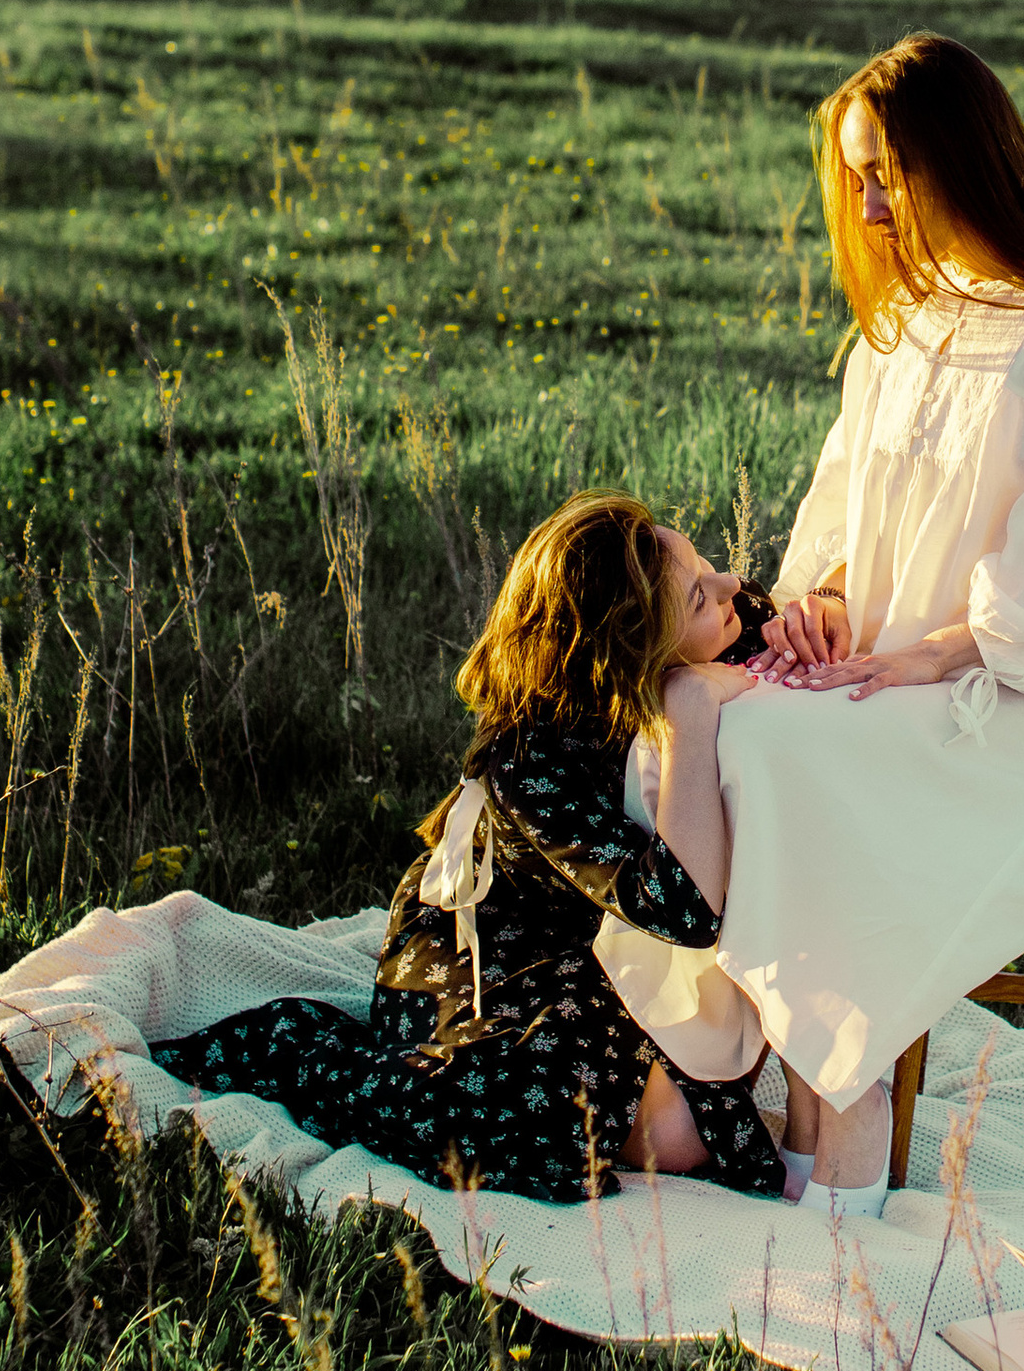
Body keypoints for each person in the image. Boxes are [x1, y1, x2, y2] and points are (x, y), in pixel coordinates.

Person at [594, 32, 1024, 1206]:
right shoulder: (904, 326)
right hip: (888, 667)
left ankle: (834, 1126)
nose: (866, 202)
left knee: (789, 754)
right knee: (721, 736)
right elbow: (844, 520)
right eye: (854, 172)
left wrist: (918, 657)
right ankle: (791, 1109)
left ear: (959, 161)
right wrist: (820, 607)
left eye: (886, 172)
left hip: (1021, 704)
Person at [151, 496, 785, 1204]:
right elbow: (685, 910)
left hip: (599, 948)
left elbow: (772, 613)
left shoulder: (703, 629)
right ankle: (310, 1051)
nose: (733, 587)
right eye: (702, 592)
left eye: (708, 569)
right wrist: (691, 716)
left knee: (685, 1117)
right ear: (633, 651)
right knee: (529, 1125)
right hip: (486, 951)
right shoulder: (535, 755)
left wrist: (824, 604)